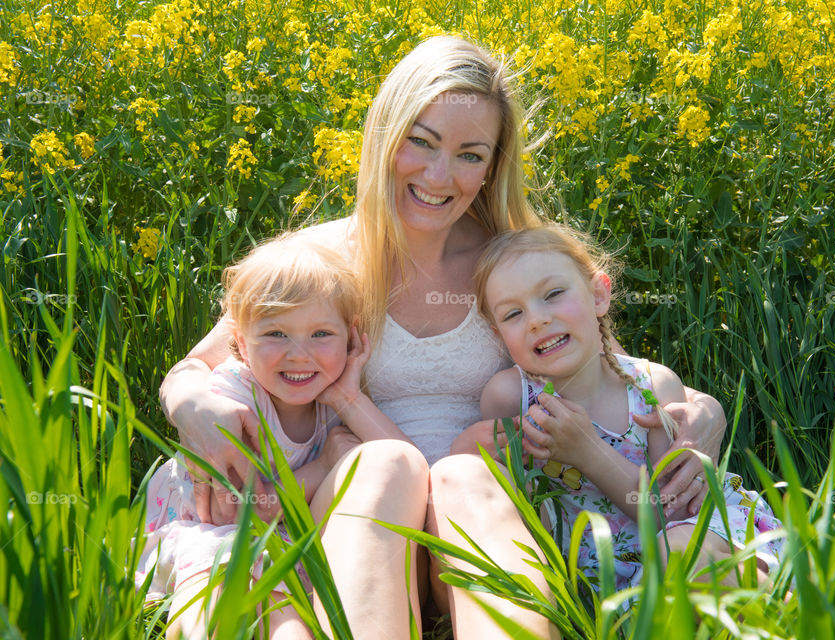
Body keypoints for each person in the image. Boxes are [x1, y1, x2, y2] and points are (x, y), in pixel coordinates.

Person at [158, 35, 727, 638]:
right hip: (357, 516)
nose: (438, 175)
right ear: (384, 136)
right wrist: (193, 407)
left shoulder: (509, 267)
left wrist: (702, 411)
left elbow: (603, 364)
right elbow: (199, 368)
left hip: (491, 513)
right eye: (421, 141)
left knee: (468, 474)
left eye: (469, 155)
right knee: (380, 465)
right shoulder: (319, 261)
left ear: (492, 167)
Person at [471, 225, 784, 592]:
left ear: (598, 295)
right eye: (513, 314)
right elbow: (478, 467)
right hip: (609, 577)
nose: (537, 319)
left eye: (553, 294)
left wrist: (587, 450)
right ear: (498, 335)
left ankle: (790, 611)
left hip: (695, 539)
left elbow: (672, 512)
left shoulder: (650, 387)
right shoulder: (510, 396)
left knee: (681, 554)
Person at [138, 233, 392, 639]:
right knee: (211, 604)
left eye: (322, 334)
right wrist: (324, 466)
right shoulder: (235, 398)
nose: (299, 354)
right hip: (207, 533)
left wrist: (349, 397)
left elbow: (401, 459)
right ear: (240, 342)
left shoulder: (331, 404)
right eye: (276, 334)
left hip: (276, 541)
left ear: (352, 337)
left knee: (288, 623)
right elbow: (233, 513)